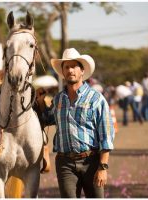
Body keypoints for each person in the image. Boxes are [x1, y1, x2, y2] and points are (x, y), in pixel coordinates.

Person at [36, 48, 115, 198]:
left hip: (91, 161)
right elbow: (46, 119)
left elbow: (106, 135)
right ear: (63, 72)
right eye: (66, 67)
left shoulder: (96, 99)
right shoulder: (58, 99)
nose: (70, 70)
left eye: (74, 66)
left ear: (82, 71)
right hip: (64, 163)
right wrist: (40, 102)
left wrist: (103, 167)